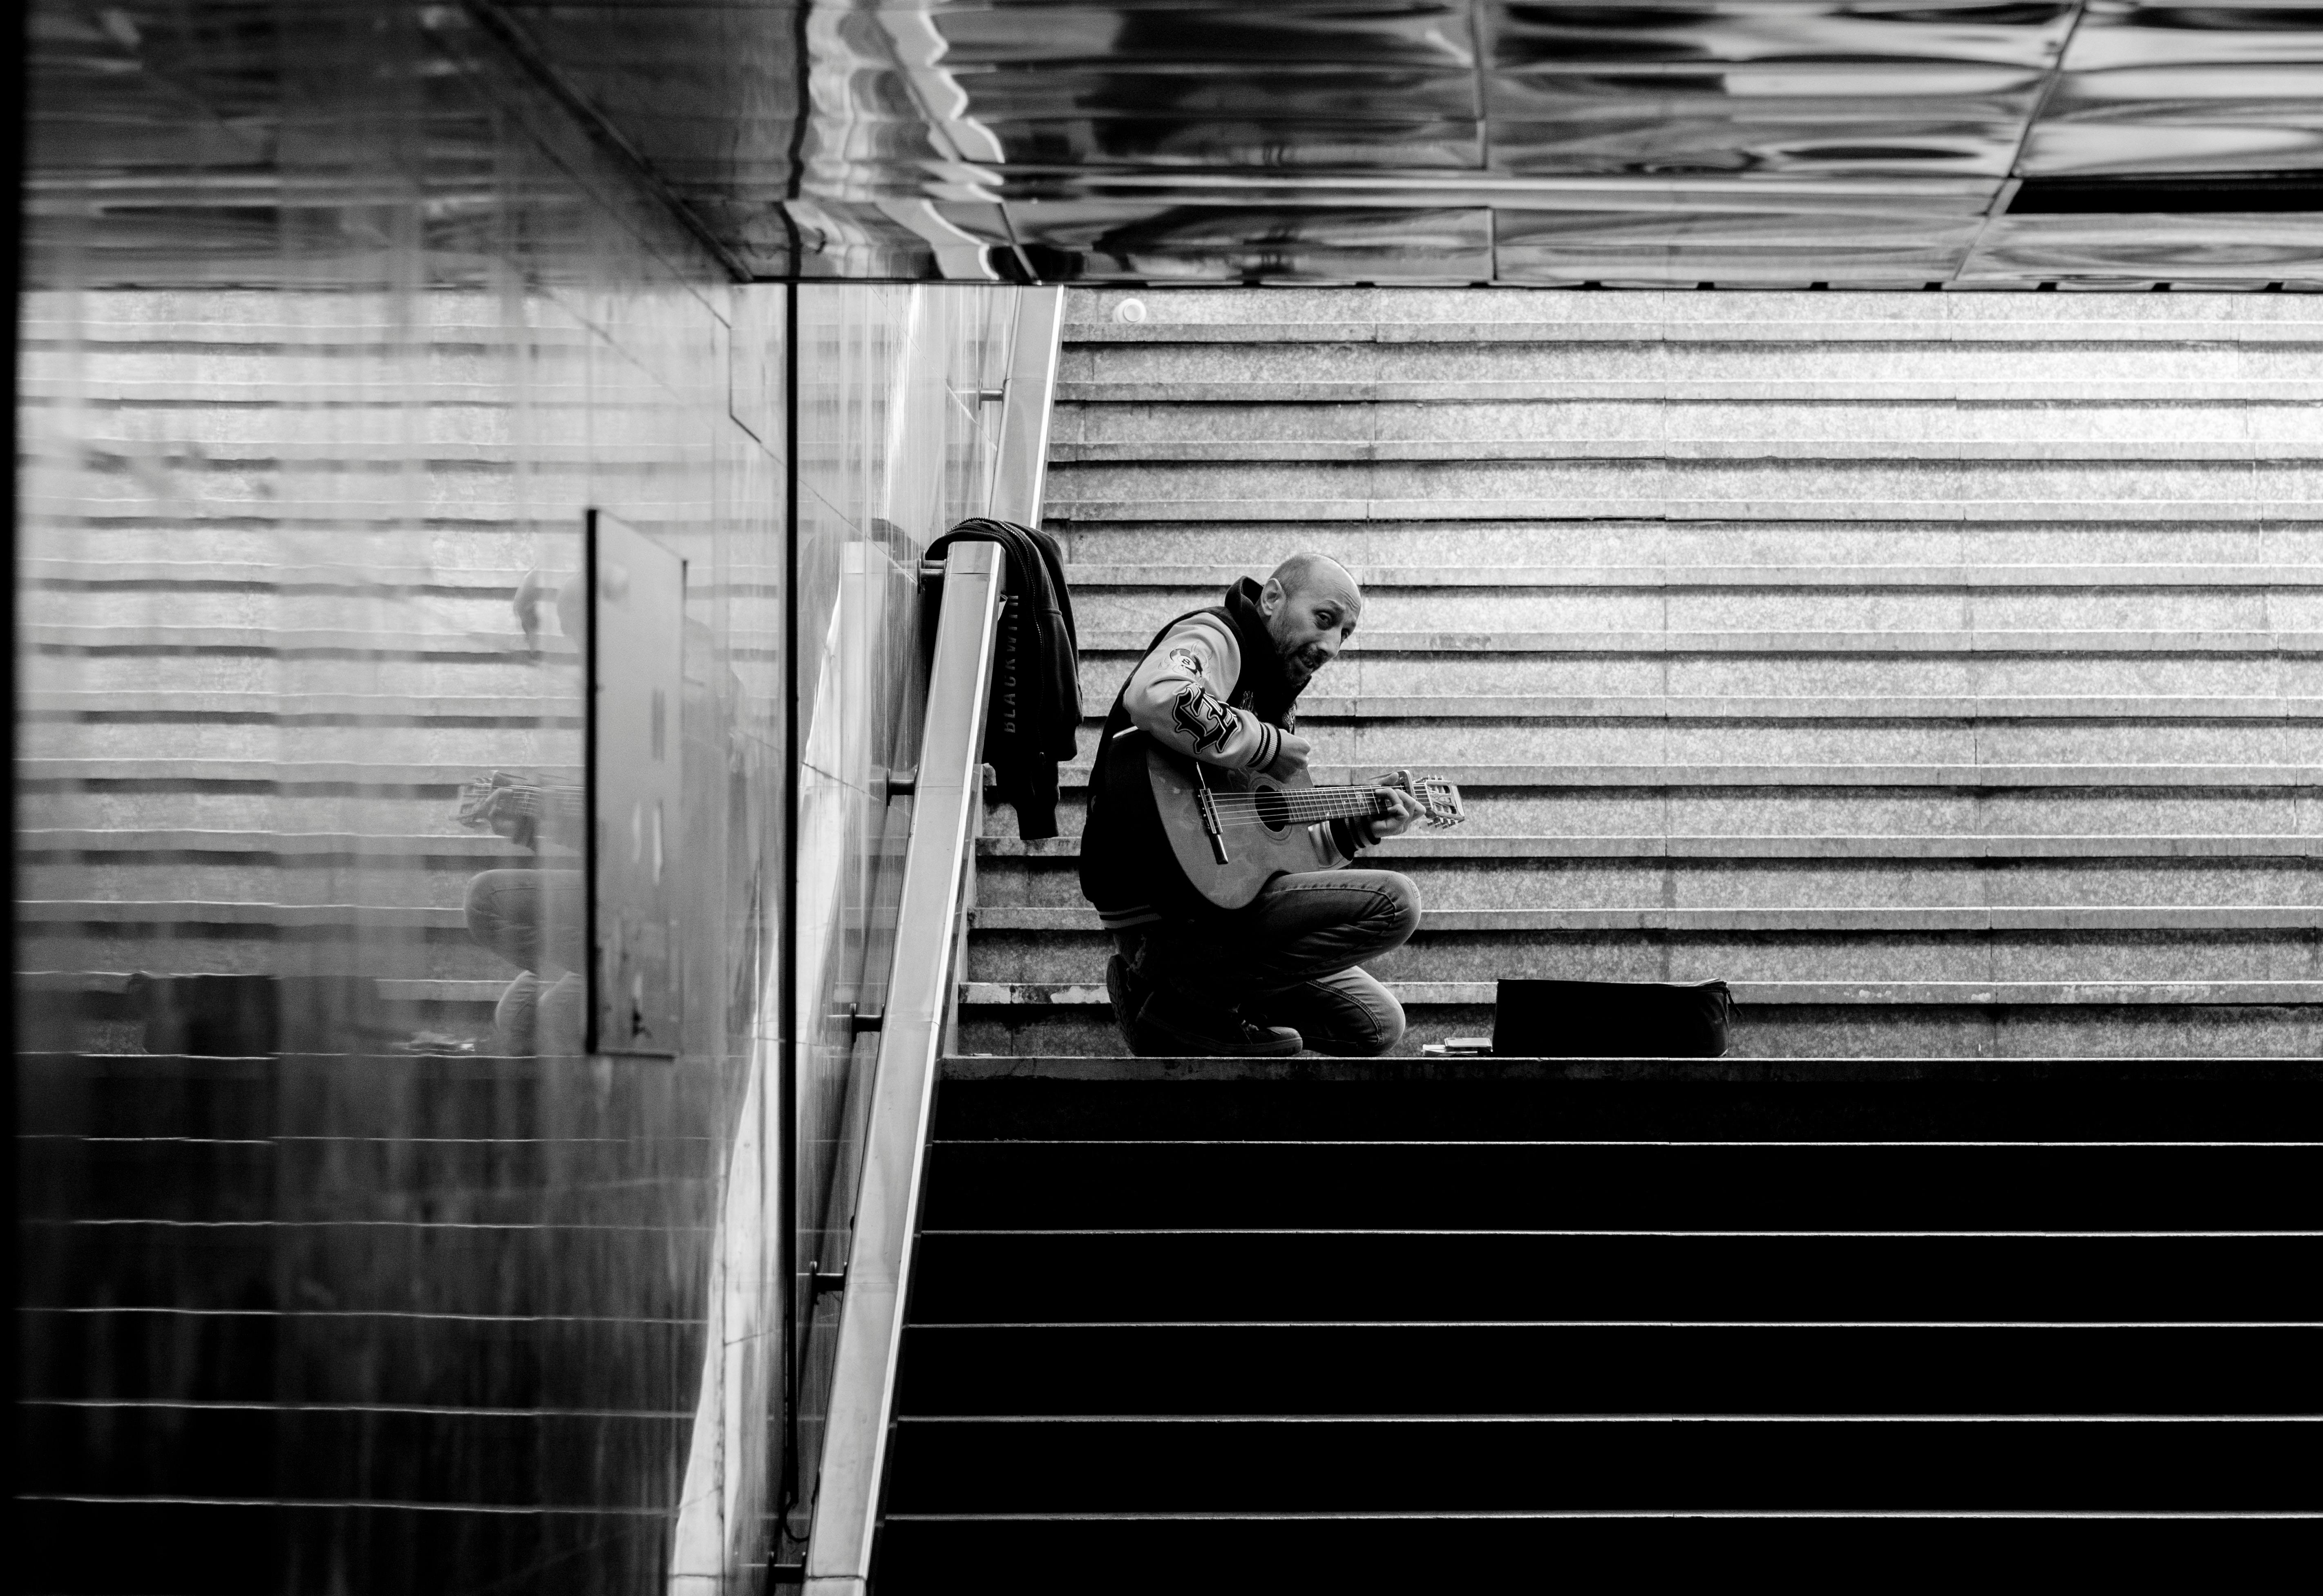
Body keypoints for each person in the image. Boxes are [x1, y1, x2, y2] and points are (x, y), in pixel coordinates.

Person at [1078, 553, 1425, 1056]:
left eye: (1344, 635)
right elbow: (1156, 694)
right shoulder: (1219, 637)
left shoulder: (1274, 694)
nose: (1330, 646)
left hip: (1217, 912)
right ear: (1272, 598)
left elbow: (1274, 858)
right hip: (1165, 906)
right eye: (1323, 619)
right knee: (1397, 902)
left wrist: (1358, 829)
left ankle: (1181, 1013)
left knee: (1376, 1024)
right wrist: (1264, 743)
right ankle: (1182, 995)